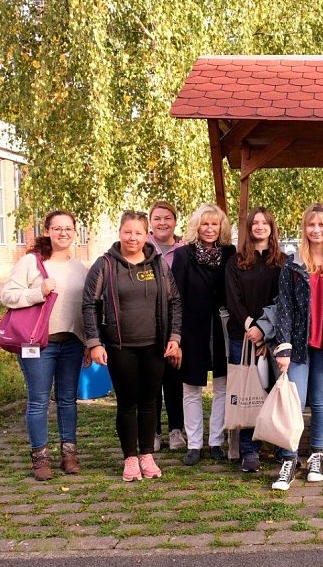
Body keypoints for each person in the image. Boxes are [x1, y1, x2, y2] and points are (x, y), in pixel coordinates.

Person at [82, 211, 182, 481]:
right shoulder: (105, 265)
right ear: (119, 232)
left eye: (138, 232)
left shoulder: (159, 266)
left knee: (150, 402)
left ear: (146, 234)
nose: (132, 238)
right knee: (127, 404)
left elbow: (175, 303)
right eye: (128, 232)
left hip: (155, 346)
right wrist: (94, 343)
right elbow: (90, 304)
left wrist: (174, 337)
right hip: (120, 346)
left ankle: (147, 456)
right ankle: (129, 458)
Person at [271, 204, 323, 490]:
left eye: (321, 225)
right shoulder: (293, 266)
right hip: (297, 348)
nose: (316, 230)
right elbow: (284, 309)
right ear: (304, 229)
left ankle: (316, 455)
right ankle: (289, 459)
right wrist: (283, 348)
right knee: (294, 402)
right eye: (311, 225)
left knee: (320, 402)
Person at [1, 210, 88, 481]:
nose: (63, 233)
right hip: (38, 344)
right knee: (39, 401)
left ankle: (69, 454)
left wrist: (87, 343)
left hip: (71, 344)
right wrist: (38, 292)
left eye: (68, 229)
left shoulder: (79, 268)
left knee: (67, 401)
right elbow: (8, 295)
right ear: (48, 231)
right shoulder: (31, 262)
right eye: (57, 228)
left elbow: (83, 310)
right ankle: (40, 458)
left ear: (75, 232)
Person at [171, 203, 236, 466]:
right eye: (205, 224)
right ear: (196, 226)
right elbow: (176, 296)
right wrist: (176, 335)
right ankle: (195, 443)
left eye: (214, 224)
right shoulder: (184, 255)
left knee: (222, 387)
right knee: (191, 389)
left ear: (221, 227)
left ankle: (216, 442)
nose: (210, 229)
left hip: (222, 328)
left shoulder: (230, 253)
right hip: (193, 329)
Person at [225, 207, 285, 473]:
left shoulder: (283, 262)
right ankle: (250, 451)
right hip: (243, 334)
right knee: (250, 392)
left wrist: (264, 331)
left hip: (273, 338)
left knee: (275, 391)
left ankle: (282, 446)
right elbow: (232, 298)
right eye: (255, 223)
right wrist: (251, 327)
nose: (260, 227)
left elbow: (282, 300)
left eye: (265, 223)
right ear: (249, 229)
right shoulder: (236, 262)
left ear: (272, 228)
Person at [147, 200, 185, 452]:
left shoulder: (184, 249)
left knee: (174, 378)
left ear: (175, 221)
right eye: (158, 218)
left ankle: (176, 429)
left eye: (167, 218)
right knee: (151, 381)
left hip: (176, 322)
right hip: (147, 324)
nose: (162, 223)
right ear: (150, 222)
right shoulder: (142, 246)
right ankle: (153, 432)